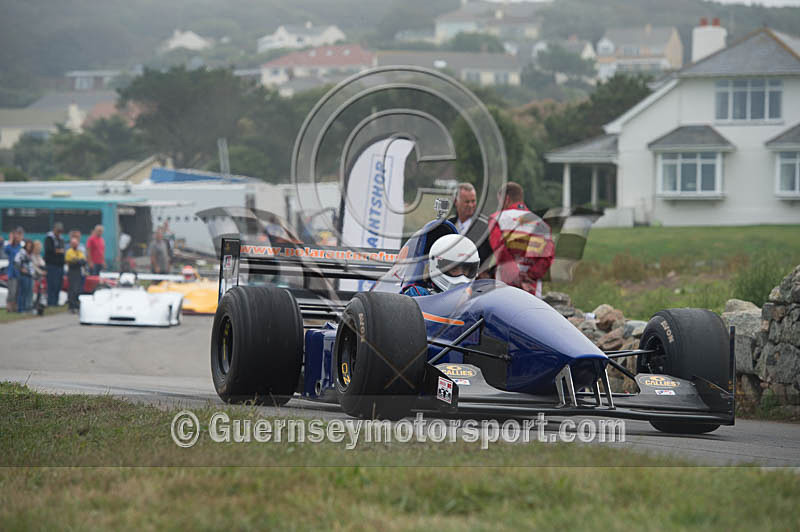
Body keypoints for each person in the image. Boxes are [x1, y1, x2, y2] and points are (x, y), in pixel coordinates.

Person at [488, 182, 554, 298]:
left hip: (505, 285)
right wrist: (530, 275)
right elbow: (547, 258)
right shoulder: (541, 223)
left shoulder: (496, 219)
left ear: (506, 199)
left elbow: (500, 250)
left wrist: (515, 276)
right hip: (531, 287)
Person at [401, 234, 479, 297]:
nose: (461, 277)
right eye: (454, 269)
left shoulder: (476, 299)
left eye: (466, 270)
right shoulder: (418, 295)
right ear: (436, 265)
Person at [447, 182, 493, 276]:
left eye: (473, 201)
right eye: (467, 202)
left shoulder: (485, 227)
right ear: (456, 201)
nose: (471, 205)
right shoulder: (448, 225)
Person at [44, 222, 66, 307]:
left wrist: (59, 251)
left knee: (58, 285)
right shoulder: (49, 238)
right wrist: (59, 251)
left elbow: (63, 250)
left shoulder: (61, 239)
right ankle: (51, 303)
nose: (59, 233)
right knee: (51, 285)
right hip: (51, 265)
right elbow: (50, 250)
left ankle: (55, 302)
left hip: (60, 266)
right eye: (58, 231)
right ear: (54, 230)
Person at [4, 228, 23, 312]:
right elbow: (6, 250)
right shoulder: (10, 247)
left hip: (19, 272)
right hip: (12, 273)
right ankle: (9, 307)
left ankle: (15, 307)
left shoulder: (20, 246)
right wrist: (11, 240)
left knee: (17, 292)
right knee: (12, 291)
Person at [65, 237, 86, 313]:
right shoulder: (69, 252)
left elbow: (83, 261)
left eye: (76, 243)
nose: (75, 245)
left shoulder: (79, 252)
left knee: (78, 289)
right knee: (72, 289)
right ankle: (71, 305)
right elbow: (71, 261)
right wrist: (78, 261)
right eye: (73, 243)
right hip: (72, 271)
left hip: (78, 272)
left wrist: (77, 261)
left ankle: (76, 305)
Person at [14, 239, 34, 312]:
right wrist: (21, 269)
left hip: (30, 275)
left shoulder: (30, 254)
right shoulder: (21, 252)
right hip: (23, 275)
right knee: (22, 292)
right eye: (28, 245)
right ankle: (21, 308)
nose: (29, 247)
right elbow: (16, 262)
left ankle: (27, 307)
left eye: (30, 246)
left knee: (28, 292)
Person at [31, 240, 46, 313]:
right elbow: (34, 266)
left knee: (40, 293)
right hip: (34, 277)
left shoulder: (39, 256)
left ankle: (38, 306)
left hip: (40, 277)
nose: (39, 249)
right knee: (34, 293)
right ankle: (32, 307)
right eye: (38, 248)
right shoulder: (32, 256)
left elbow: (43, 264)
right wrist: (41, 271)